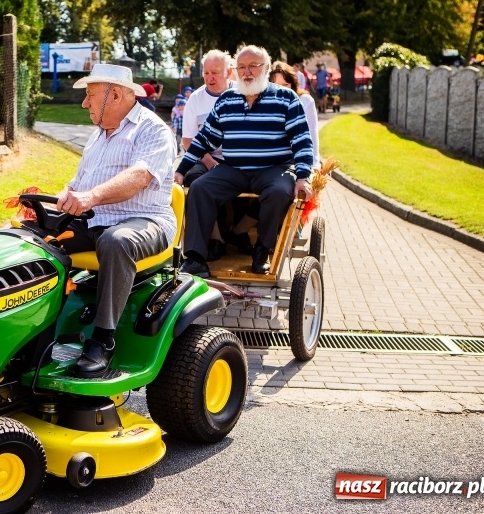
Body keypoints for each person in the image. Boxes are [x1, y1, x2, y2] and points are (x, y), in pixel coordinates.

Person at [56, 63, 176, 378]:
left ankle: (102, 341)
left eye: (91, 95)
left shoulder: (152, 129)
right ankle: (39, 326)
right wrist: (63, 195)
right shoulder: (97, 137)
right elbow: (79, 183)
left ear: (117, 94)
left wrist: (91, 197)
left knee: (116, 241)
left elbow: (139, 176)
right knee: (36, 240)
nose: (85, 103)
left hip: (146, 220)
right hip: (95, 219)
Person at [175, 45, 314, 277]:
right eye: (242, 67)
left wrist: (303, 176)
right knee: (200, 187)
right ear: (235, 71)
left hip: (274, 168)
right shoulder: (227, 100)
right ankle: (196, 257)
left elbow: (302, 141)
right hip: (235, 169)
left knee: (279, 192)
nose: (247, 72)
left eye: (253, 66)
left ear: (267, 69)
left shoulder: (286, 98)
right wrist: (181, 171)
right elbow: (203, 140)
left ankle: (262, 249)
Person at [174, 49, 248, 259]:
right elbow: (188, 140)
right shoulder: (196, 99)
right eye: (206, 73)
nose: (209, 78)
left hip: (239, 158)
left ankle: (240, 231)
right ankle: (216, 238)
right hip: (204, 155)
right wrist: (208, 161)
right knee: (193, 179)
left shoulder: (244, 93)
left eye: (215, 72)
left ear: (229, 72)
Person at [270, 61, 321, 169]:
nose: (282, 90)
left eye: (285, 85)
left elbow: (312, 134)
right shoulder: (264, 103)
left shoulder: (305, 101)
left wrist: (314, 165)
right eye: (276, 85)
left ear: (293, 84)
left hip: (297, 163)